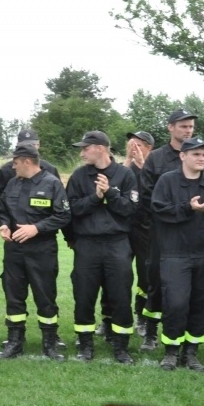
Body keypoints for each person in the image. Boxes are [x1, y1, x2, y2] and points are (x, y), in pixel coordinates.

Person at [139, 109, 204, 354]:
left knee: (199, 293)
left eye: (191, 127)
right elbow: (147, 198)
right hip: (163, 236)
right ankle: (152, 333)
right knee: (158, 283)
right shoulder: (157, 159)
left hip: (200, 242)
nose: (188, 130)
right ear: (170, 128)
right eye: (183, 126)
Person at [151, 138, 204, 372]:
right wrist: (188, 207)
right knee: (175, 302)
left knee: (201, 303)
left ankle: (191, 353)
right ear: (183, 156)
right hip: (176, 253)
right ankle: (171, 352)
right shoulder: (167, 181)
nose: (201, 158)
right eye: (196, 154)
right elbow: (159, 210)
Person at [0, 143, 71, 361]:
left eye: (15, 162)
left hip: (42, 251)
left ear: (27, 161)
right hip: (14, 251)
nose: (13, 166)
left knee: (45, 295)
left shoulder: (52, 183)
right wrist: (4, 224)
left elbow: (63, 216)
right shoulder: (12, 183)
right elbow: (2, 211)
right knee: (14, 296)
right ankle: (15, 342)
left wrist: (36, 228)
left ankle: (49, 345)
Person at [66, 131, 138, 364]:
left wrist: (110, 193)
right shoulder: (78, 176)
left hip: (117, 244)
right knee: (84, 294)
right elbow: (72, 210)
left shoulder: (125, 175)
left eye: (85, 148)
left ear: (100, 148)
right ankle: (85, 344)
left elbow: (131, 209)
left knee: (120, 295)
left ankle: (121, 346)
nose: (82, 152)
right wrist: (95, 197)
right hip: (87, 245)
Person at [121, 131, 154, 337]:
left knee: (145, 274)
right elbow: (115, 183)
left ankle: (142, 316)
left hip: (146, 228)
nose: (135, 148)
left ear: (149, 148)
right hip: (124, 227)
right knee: (118, 274)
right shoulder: (124, 167)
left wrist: (142, 166)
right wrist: (128, 159)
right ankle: (111, 318)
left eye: (140, 145)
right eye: (132, 144)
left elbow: (156, 191)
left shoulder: (153, 167)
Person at [0, 129, 59, 210]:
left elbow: (59, 202)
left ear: (38, 145)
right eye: (24, 145)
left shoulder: (50, 169)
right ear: (17, 146)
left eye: (32, 145)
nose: (28, 148)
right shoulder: (6, 170)